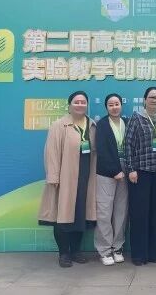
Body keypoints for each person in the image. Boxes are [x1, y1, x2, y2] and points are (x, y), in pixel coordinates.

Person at [38, 91, 97, 268]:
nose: (80, 105)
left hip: (86, 177)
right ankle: (64, 253)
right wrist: (53, 176)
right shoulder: (59, 125)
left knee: (81, 215)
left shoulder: (92, 126)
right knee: (62, 215)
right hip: (65, 178)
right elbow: (51, 152)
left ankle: (76, 250)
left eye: (83, 102)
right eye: (76, 102)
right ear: (69, 105)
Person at [125, 86, 156, 266]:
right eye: (151, 97)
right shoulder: (136, 118)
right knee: (139, 214)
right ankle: (139, 255)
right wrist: (130, 169)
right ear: (144, 100)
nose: (154, 100)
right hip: (141, 172)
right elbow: (128, 145)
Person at [94, 93, 129, 266]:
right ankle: (104, 249)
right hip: (106, 173)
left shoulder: (127, 122)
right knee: (104, 212)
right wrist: (114, 170)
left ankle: (117, 247)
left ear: (121, 105)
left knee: (121, 212)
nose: (114, 107)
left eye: (117, 104)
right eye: (111, 105)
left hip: (125, 171)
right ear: (106, 107)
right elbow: (101, 150)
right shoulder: (101, 125)